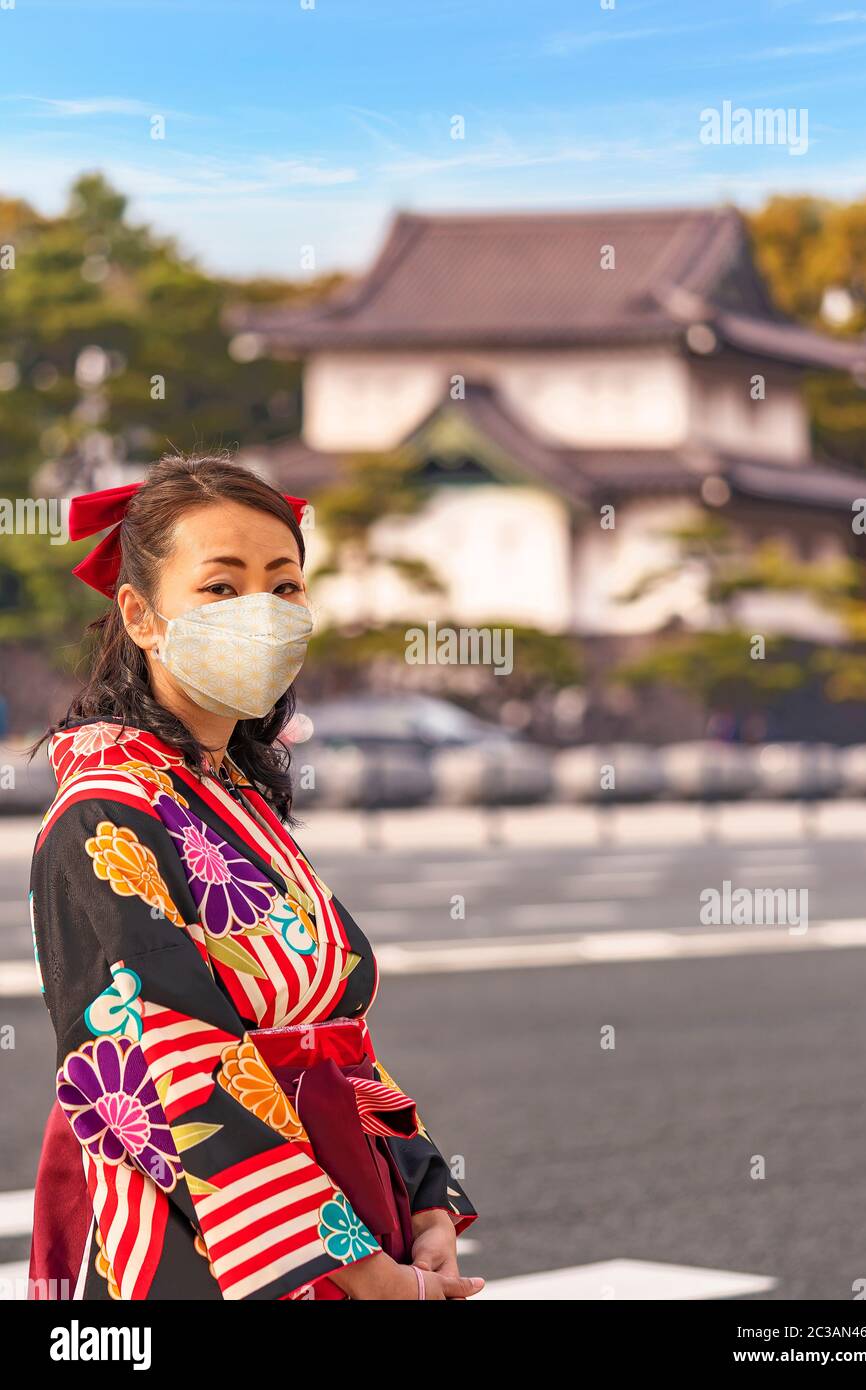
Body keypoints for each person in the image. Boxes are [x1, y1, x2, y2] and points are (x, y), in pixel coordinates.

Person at [26, 452, 482, 1301]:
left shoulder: (228, 791)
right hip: (211, 1246)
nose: (263, 615)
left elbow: (334, 1034)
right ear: (141, 615)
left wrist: (424, 1202)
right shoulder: (107, 813)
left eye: (284, 586)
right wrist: (356, 1265)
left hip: (344, 1214)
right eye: (221, 588)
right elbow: (169, 1066)